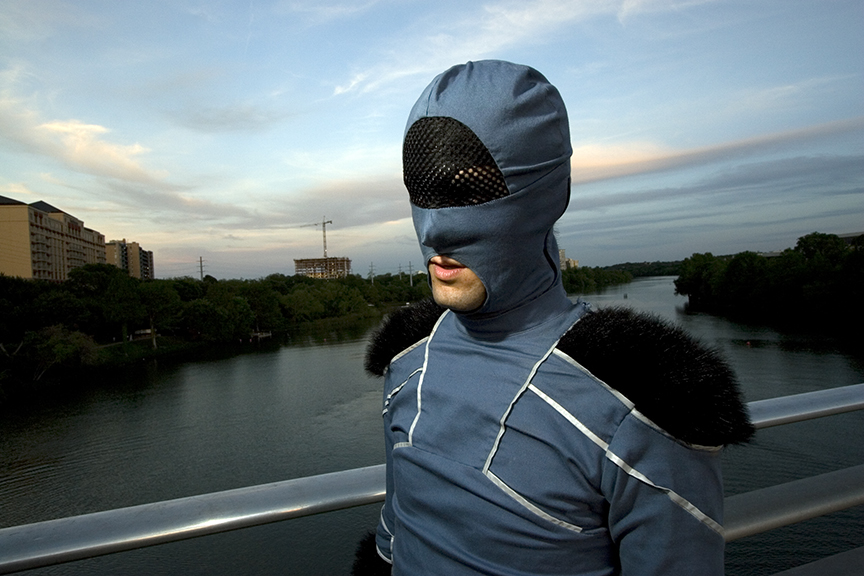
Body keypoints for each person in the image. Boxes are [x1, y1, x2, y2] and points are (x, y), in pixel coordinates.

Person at [352, 60, 753, 576]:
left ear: (545, 195)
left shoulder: (637, 406)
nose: (436, 229)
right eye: (423, 190)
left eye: (472, 192)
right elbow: (393, 537)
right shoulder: (407, 361)